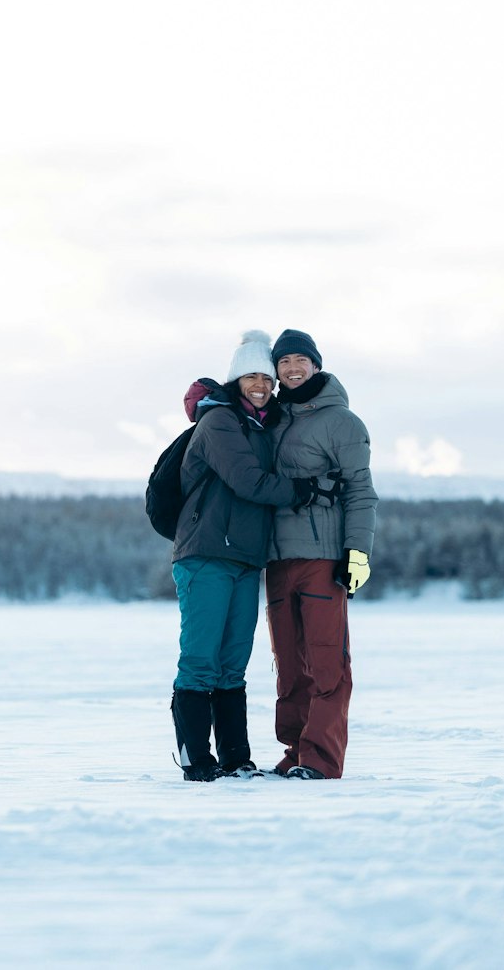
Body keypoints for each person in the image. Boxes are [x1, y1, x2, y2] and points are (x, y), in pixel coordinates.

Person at [169, 330, 339, 782]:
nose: (261, 384)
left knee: (232, 663)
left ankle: (235, 758)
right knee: (201, 659)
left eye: (267, 377)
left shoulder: (261, 425)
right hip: (205, 554)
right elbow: (248, 481)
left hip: (245, 559)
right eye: (251, 376)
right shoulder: (220, 422)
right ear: (235, 380)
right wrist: (305, 490)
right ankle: (196, 760)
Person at [264, 328, 377, 780]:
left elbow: (361, 492)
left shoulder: (342, 422)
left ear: (316, 364)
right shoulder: (271, 420)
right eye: (283, 362)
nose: (292, 369)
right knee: (290, 666)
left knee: (327, 661)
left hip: (322, 557)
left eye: (300, 360)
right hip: (276, 559)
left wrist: (357, 552)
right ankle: (296, 752)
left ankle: (322, 760)